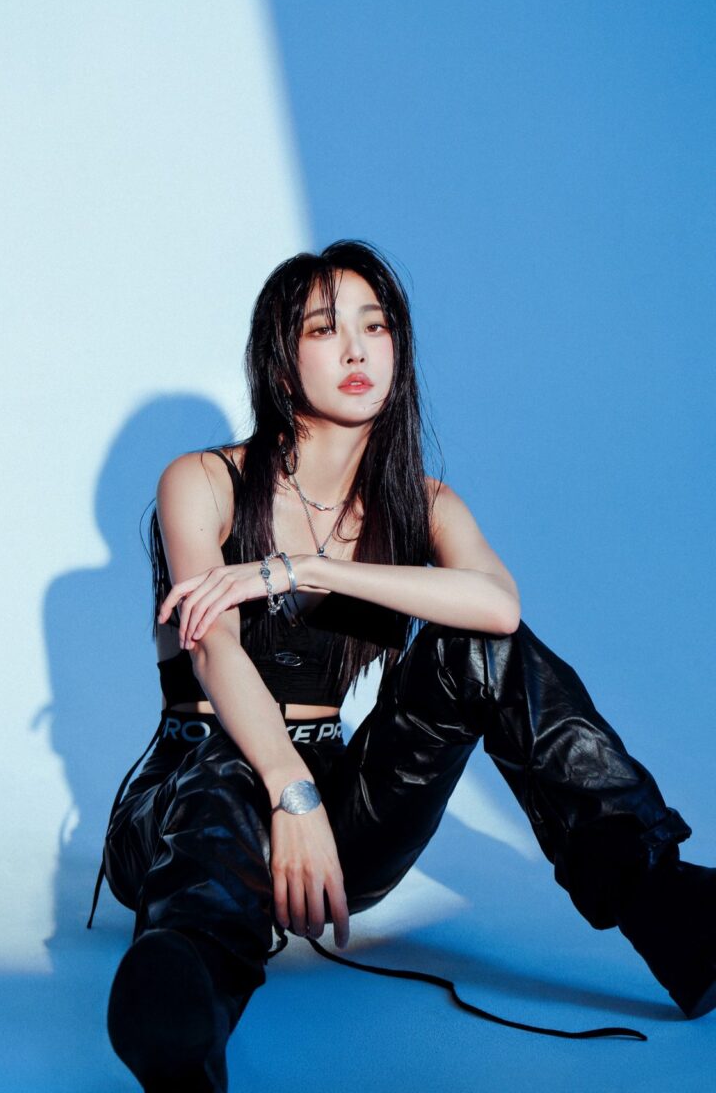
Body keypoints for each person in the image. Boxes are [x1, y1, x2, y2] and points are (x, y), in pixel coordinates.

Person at [96, 241, 715, 1092]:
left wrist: (307, 569)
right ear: (280, 360)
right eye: (324, 329)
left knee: (481, 651)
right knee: (222, 780)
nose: (356, 349)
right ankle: (181, 1014)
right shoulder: (204, 481)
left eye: (375, 326)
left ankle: (672, 913)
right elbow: (215, 647)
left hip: (331, 812)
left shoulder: (421, 505)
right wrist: (289, 788)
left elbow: (498, 611)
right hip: (188, 801)